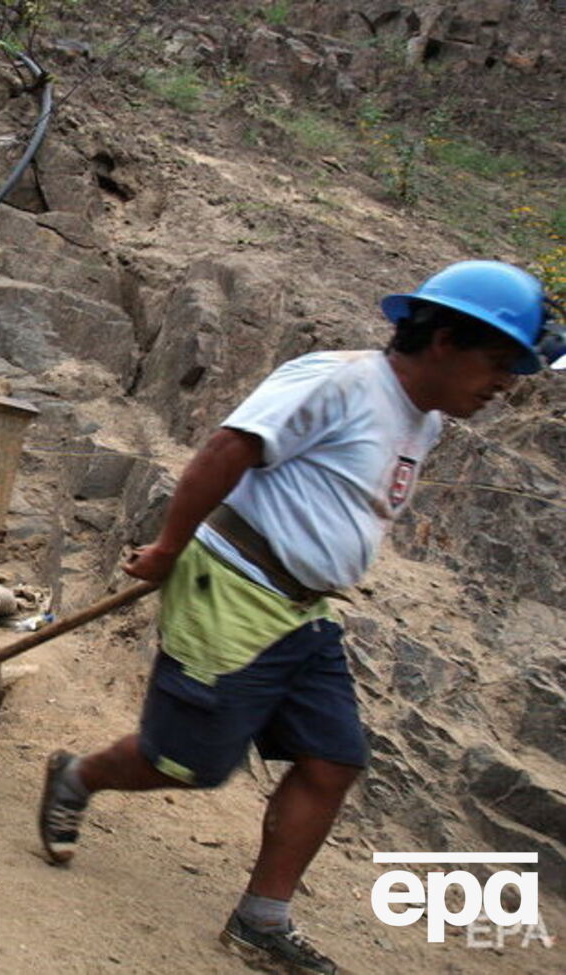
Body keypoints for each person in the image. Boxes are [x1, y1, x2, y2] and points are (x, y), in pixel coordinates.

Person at [35, 260, 564, 974]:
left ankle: (262, 919)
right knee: (188, 763)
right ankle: (77, 776)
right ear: (443, 338)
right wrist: (167, 548)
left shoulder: (426, 421)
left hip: (305, 611)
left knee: (333, 758)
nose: (504, 385)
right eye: (498, 362)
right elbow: (228, 448)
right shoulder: (338, 380)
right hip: (232, 590)